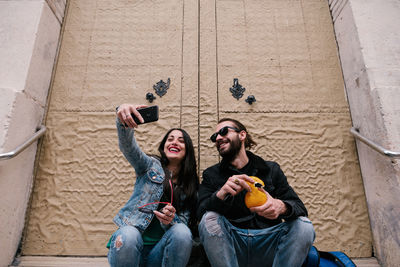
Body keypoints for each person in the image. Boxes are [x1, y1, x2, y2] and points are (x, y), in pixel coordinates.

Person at [197, 118, 315, 267]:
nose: (218, 138)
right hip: (232, 245)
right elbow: (201, 214)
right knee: (210, 218)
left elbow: (299, 207)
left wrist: (281, 207)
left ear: (242, 135)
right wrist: (220, 195)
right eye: (215, 137)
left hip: (269, 242)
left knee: (303, 225)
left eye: (223, 131)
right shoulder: (211, 174)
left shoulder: (270, 169)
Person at [107, 104, 199, 267]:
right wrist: (123, 119)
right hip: (131, 249)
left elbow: (181, 233)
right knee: (128, 233)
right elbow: (128, 147)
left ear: (187, 150)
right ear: (164, 146)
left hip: (161, 254)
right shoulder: (148, 166)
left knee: (182, 231)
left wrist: (170, 220)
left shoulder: (190, 187)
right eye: (170, 139)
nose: (174, 142)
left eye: (181, 140)